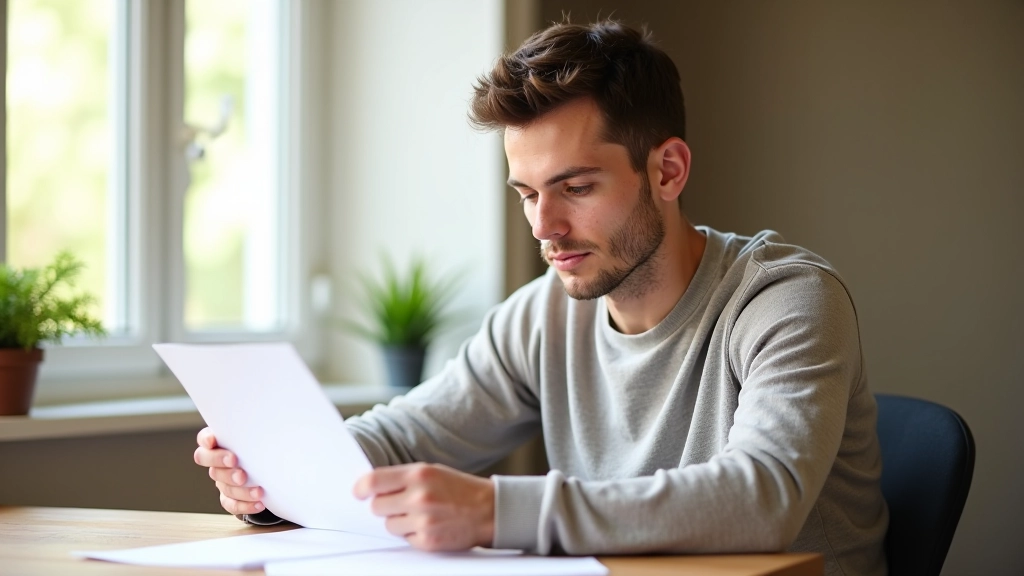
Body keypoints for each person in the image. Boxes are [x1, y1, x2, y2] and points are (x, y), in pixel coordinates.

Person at [193, 19, 888, 576]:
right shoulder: (543, 315)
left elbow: (758, 499)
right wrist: (277, 478)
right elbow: (407, 436)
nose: (545, 228)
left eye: (576, 188)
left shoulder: (787, 300)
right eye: (527, 194)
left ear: (668, 170)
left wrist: (497, 511)